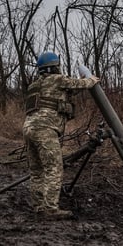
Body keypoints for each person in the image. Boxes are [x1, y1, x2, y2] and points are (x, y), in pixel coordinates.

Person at [22, 51, 99, 219]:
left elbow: (63, 92)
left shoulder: (34, 86)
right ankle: (50, 209)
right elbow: (79, 84)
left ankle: (39, 207)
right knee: (54, 168)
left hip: (29, 128)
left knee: (37, 170)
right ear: (55, 67)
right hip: (46, 129)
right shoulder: (57, 80)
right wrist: (91, 80)